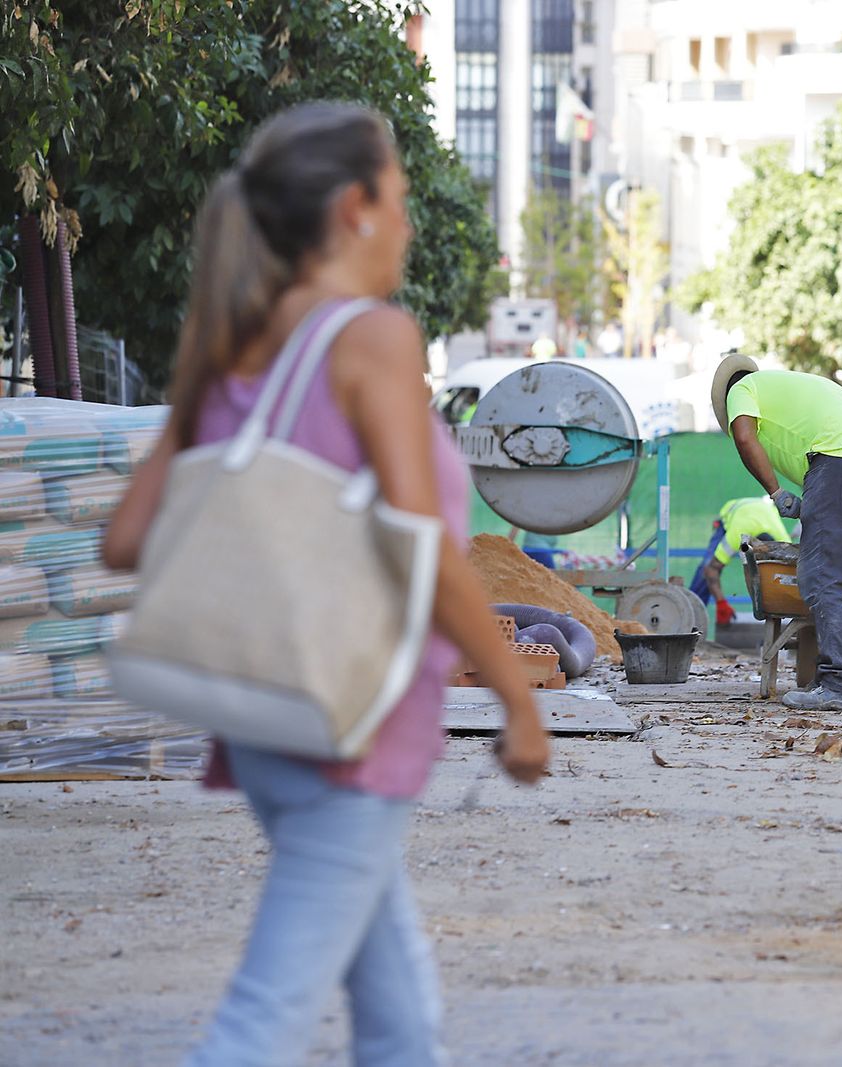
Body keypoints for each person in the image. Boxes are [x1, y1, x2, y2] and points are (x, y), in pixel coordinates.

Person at [101, 103, 550, 1066]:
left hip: (262, 716)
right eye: (399, 199)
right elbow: (423, 546)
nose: (410, 223)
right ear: (355, 208)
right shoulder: (371, 340)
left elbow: (127, 537)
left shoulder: (233, 345)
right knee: (265, 1016)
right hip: (349, 719)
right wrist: (517, 696)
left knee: (399, 1013)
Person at [711, 355, 842, 711]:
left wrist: (776, 493)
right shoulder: (789, 390)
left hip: (841, 457)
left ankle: (841, 683)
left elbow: (743, 437)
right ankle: (839, 679)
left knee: (822, 576)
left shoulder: (742, 389)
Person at [697, 495, 790, 626]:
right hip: (735, 510)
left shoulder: (783, 540)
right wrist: (721, 603)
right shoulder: (736, 536)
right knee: (706, 567)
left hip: (762, 511)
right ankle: (693, 614)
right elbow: (711, 569)